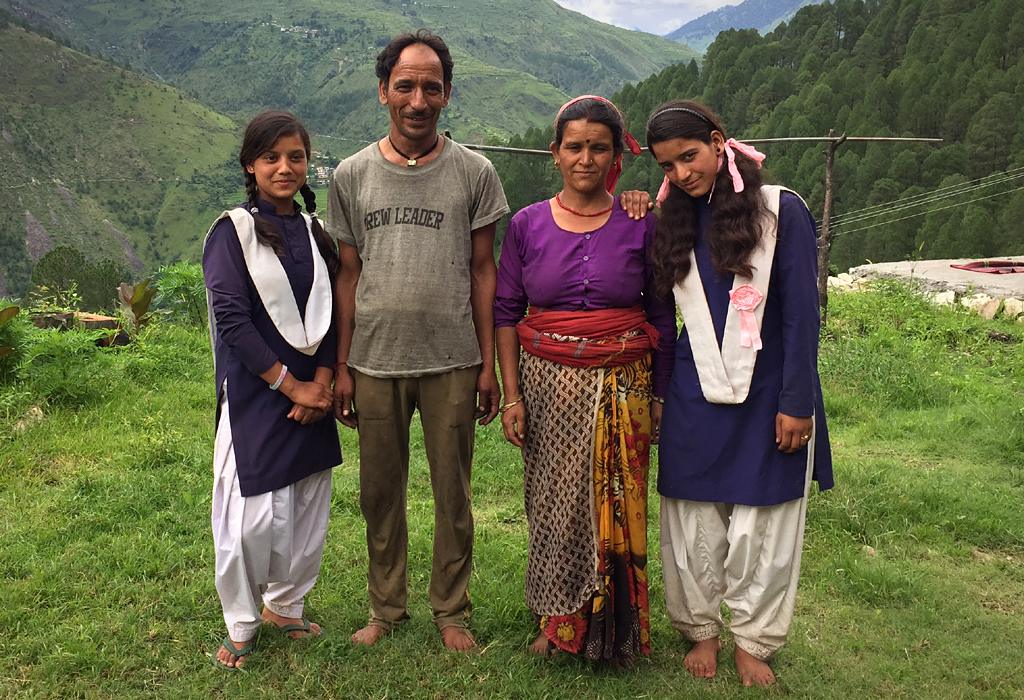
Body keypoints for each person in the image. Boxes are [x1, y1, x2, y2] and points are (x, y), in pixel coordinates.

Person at [328, 29, 509, 652]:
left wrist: (488, 365)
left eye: (431, 86)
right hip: (374, 359)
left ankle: (451, 610)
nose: (418, 99)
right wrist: (343, 366)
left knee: (452, 491)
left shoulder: (474, 173)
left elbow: (484, 271)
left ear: (447, 94)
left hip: (454, 358)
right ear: (384, 92)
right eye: (404, 85)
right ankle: (386, 606)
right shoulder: (352, 175)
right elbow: (347, 274)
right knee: (379, 490)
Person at [645, 100, 833, 687]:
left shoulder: (780, 211)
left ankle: (753, 639)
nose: (681, 173)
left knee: (763, 518)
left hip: (769, 391)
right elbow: (659, 320)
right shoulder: (671, 222)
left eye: (689, 156)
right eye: (667, 166)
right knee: (693, 515)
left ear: (719, 141)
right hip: (694, 394)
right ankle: (700, 628)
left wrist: (797, 401)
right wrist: (658, 397)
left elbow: (803, 312)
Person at [494, 95, 676, 664]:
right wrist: (512, 396)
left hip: (625, 386)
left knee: (615, 508)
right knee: (552, 504)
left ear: (617, 155)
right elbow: (506, 312)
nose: (586, 158)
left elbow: (661, 312)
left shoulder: (639, 221)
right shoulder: (526, 225)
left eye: (599, 147)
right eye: (574, 146)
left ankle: (612, 629)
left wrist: (662, 394)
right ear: (555, 154)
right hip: (546, 388)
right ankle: (557, 621)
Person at [202, 110, 342, 669]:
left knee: (307, 502)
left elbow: (332, 312)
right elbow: (232, 322)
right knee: (250, 514)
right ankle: (242, 620)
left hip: (313, 384)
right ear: (250, 165)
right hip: (258, 390)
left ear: (307, 165)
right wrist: (292, 388)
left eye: (296, 158)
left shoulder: (313, 231)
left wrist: (324, 382)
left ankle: (286, 605)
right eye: (272, 158)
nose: (285, 168)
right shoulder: (230, 232)